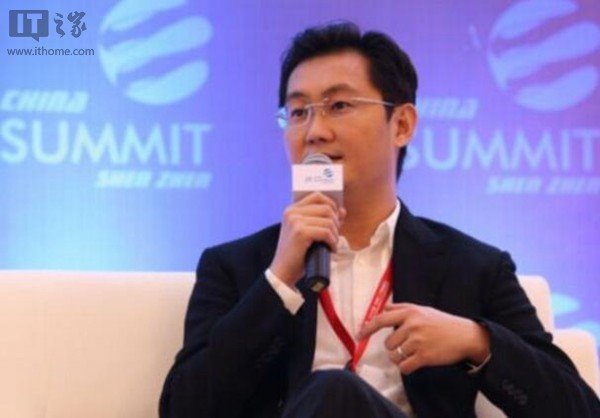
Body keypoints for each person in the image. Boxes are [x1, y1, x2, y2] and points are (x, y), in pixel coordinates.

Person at [159, 22, 600, 418]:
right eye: (298, 112)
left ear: (402, 124)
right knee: (331, 391)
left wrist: (476, 342)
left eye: (338, 105)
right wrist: (277, 283)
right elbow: (183, 409)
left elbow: (577, 408)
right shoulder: (236, 267)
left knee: (336, 390)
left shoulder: (472, 267)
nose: (314, 131)